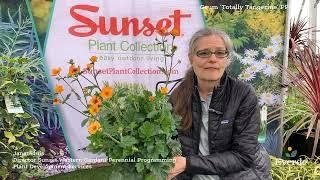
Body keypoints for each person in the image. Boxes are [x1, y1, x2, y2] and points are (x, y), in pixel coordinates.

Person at [167, 28, 272, 180]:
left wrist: (187, 163)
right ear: (191, 58)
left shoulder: (243, 94)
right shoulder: (177, 97)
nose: (212, 59)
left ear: (227, 59)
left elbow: (243, 156)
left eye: (220, 53)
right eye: (204, 53)